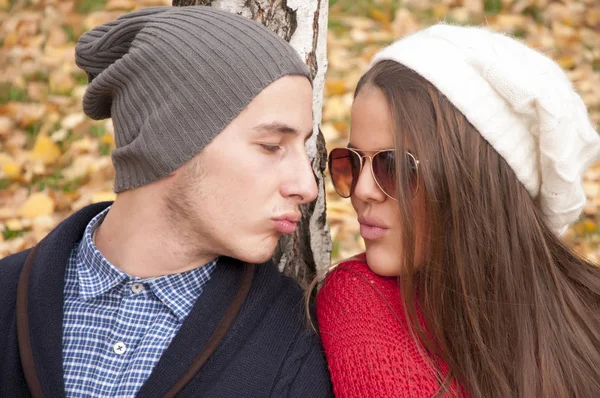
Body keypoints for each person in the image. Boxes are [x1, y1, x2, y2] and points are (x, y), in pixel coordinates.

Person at [0, 6, 332, 397]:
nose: (307, 187)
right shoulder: (7, 298)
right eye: (272, 146)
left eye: (303, 150)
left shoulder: (294, 347)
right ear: (168, 144)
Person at [315, 23, 600, 397]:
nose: (361, 191)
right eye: (351, 161)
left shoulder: (586, 311)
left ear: (474, 185)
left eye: (395, 167)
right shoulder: (364, 299)